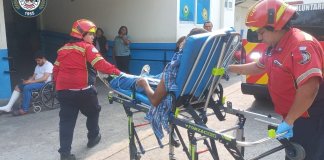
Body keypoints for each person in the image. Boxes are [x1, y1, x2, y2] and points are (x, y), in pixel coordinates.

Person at [227, 0, 324, 159]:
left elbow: (309, 88)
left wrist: (290, 121)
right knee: (294, 155)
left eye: (261, 32)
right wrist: (229, 68)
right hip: (294, 116)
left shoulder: (301, 45)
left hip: (310, 118)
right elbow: (258, 67)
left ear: (277, 26)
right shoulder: (275, 46)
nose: (259, 36)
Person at [53, 19, 122, 160]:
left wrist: (57, 86)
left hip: (64, 92)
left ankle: (65, 154)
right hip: (84, 91)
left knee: (66, 122)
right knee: (94, 112)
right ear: (81, 34)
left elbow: (56, 70)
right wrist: (118, 72)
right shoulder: (87, 47)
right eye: (90, 34)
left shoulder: (62, 49)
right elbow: (101, 65)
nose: (93, 37)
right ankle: (93, 137)